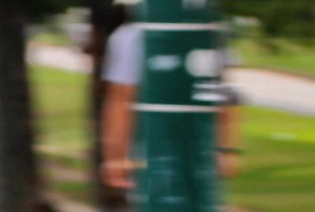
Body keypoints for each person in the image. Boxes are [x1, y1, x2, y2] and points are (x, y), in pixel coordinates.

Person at [99, 20, 240, 193]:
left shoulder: (210, 32)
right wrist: (115, 157)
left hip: (194, 156)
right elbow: (121, 100)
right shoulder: (133, 36)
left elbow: (221, 95)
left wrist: (225, 149)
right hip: (154, 156)